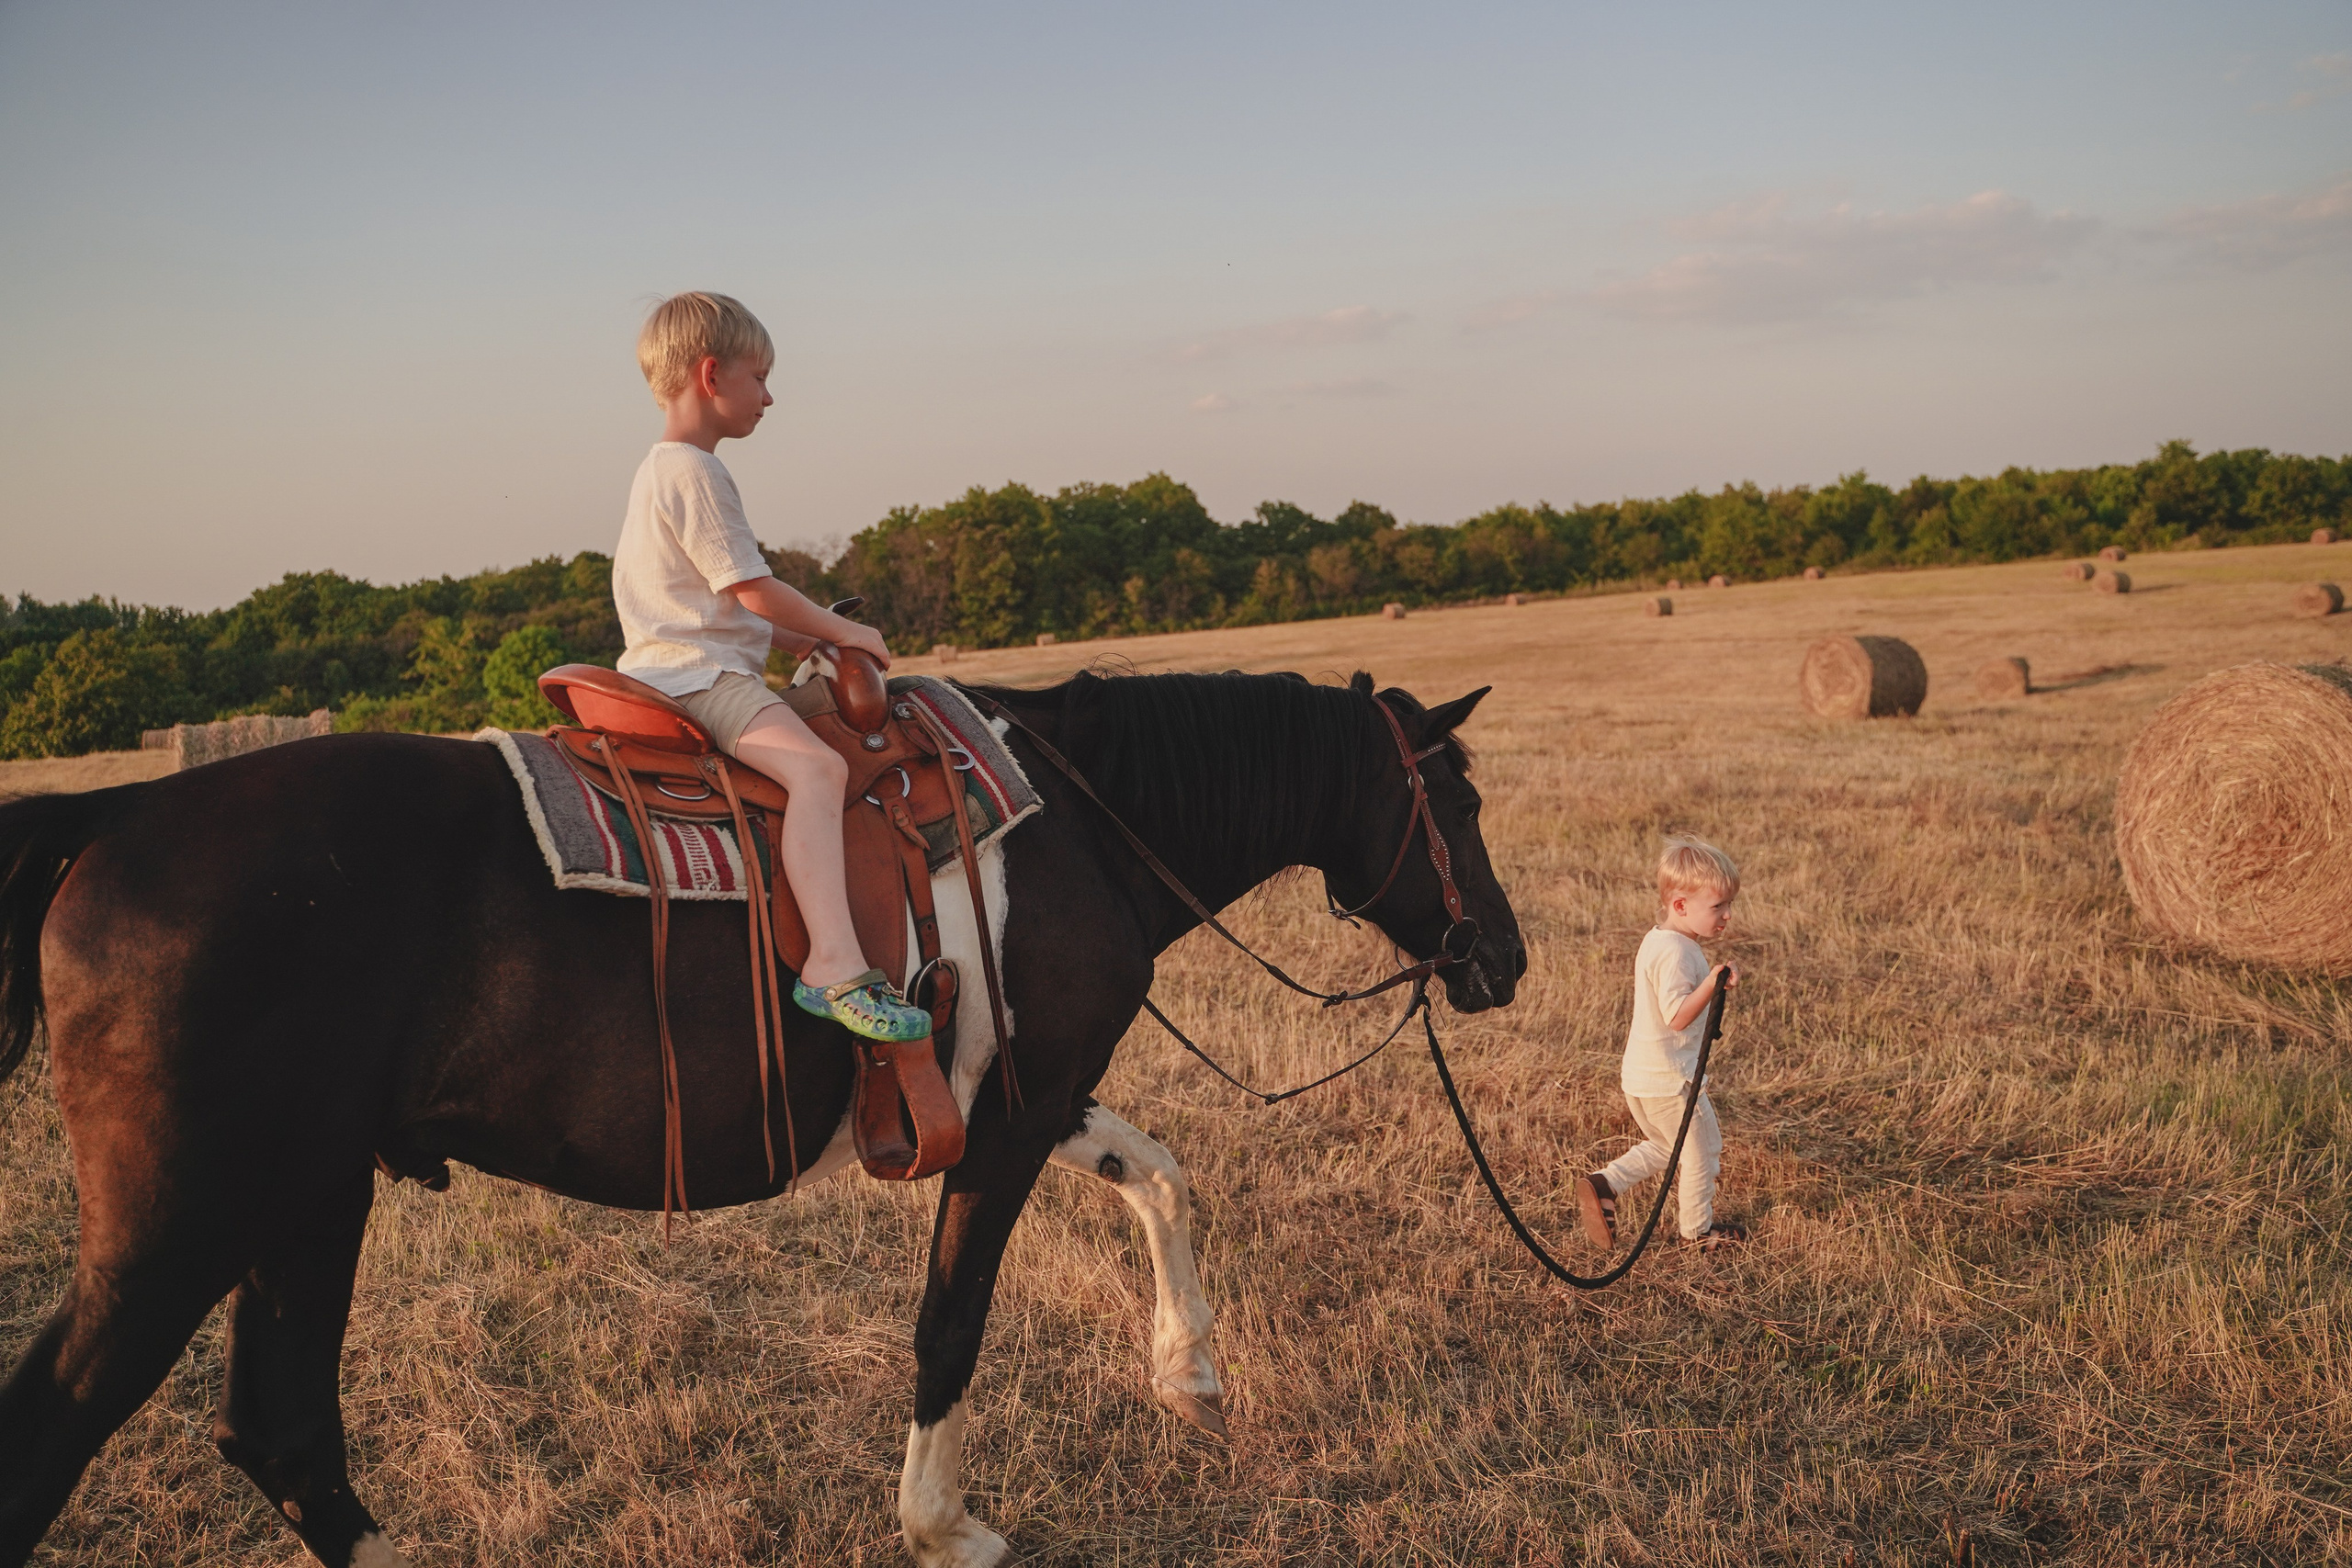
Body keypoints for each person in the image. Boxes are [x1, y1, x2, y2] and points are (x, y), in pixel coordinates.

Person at [610, 290, 929, 1043]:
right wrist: (845, 629)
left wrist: (799, 644)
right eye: (759, 377)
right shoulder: (694, 470)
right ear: (711, 374)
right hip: (700, 679)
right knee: (819, 771)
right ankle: (833, 964)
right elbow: (750, 587)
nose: (769, 396)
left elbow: (719, 603)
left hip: (678, 662)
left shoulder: (659, 470)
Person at [1577, 835, 1748, 1252]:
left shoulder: (1658, 939)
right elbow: (1677, 1017)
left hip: (1644, 1078)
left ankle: (1605, 1183)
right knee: (1702, 1152)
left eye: (1729, 904)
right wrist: (1712, 983)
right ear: (1681, 905)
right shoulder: (1677, 951)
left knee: (1667, 1146)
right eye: (1718, 906)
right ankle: (1697, 1234)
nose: (1728, 915)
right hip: (1672, 1083)